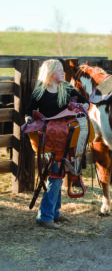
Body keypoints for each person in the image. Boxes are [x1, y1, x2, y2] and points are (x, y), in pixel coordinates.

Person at [25, 59, 90, 230]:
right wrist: (29, 119)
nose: (63, 73)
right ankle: (45, 216)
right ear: (51, 73)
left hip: (66, 135)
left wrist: (80, 106)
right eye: (60, 71)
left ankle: (54, 212)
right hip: (48, 137)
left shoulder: (67, 88)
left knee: (58, 174)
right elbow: (29, 110)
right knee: (55, 174)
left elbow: (85, 101)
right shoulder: (40, 91)